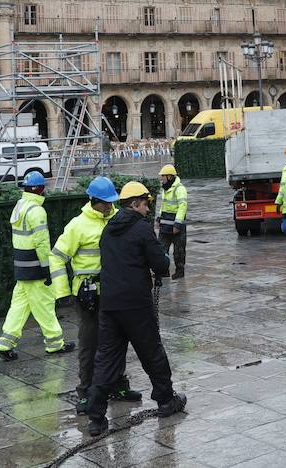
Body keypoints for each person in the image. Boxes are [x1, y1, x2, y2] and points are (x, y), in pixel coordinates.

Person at [86, 182, 186, 437]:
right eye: (145, 203)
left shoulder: (108, 229)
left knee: (106, 359)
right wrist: (160, 261)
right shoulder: (141, 229)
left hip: (110, 305)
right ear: (134, 204)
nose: (147, 208)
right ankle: (165, 400)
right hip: (136, 305)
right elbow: (161, 263)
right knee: (152, 352)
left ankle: (95, 418)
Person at [51, 177, 141, 414]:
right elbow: (57, 257)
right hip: (88, 296)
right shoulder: (77, 226)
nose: (111, 207)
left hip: (114, 292)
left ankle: (118, 386)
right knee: (89, 345)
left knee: (118, 341)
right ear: (94, 201)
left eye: (113, 203)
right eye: (106, 203)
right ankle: (86, 392)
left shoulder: (116, 220)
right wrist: (63, 292)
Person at [0, 171, 75, 360]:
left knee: (19, 306)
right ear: (40, 189)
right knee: (45, 306)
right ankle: (55, 344)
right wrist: (47, 268)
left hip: (21, 267)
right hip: (35, 268)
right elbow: (42, 243)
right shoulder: (37, 210)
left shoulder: (20, 206)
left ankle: (4, 344)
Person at [157, 164, 188, 279]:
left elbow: (182, 206)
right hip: (165, 225)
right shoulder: (166, 188)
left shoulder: (179, 189)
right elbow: (164, 205)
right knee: (161, 249)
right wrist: (159, 218)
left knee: (178, 251)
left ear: (169, 176)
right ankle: (164, 271)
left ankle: (180, 271)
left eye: (163, 176)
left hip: (176, 226)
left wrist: (177, 224)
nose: (162, 178)